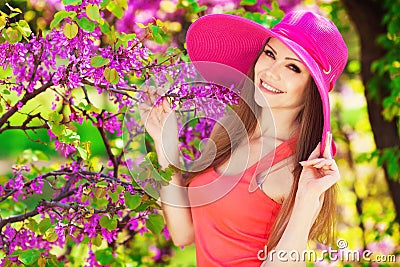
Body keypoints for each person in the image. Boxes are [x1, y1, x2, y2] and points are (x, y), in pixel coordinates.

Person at [139, 10, 348, 267]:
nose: (271, 71)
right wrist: (164, 142)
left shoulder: (299, 171)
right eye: (270, 53)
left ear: (312, 90)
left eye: (293, 67)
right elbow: (185, 234)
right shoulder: (233, 133)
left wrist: (306, 200)